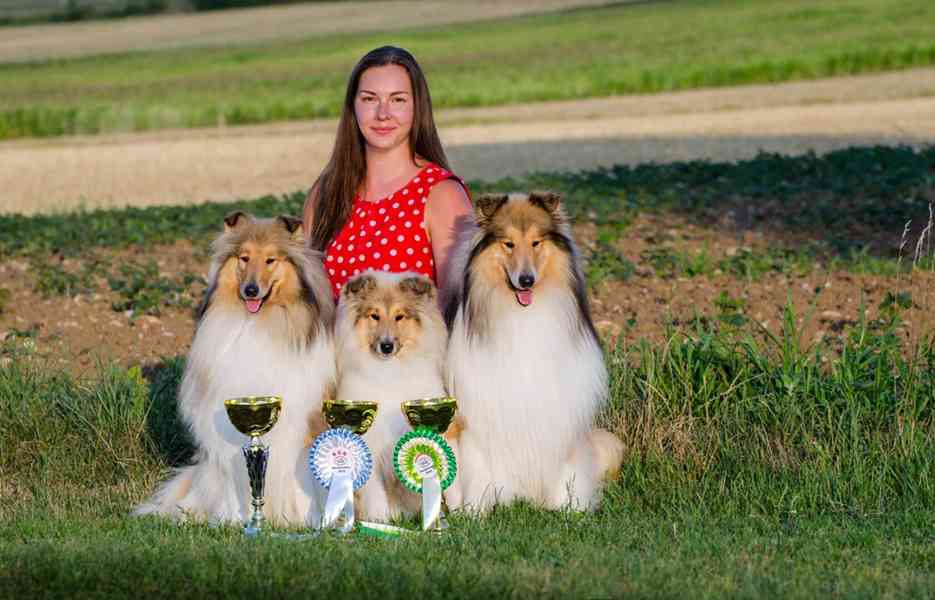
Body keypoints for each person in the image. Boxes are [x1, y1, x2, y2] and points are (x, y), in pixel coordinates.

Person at [303, 46, 472, 300]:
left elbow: (456, 307)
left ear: (417, 107)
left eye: (398, 100)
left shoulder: (442, 194)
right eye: (370, 99)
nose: (383, 114)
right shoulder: (325, 192)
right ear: (353, 107)